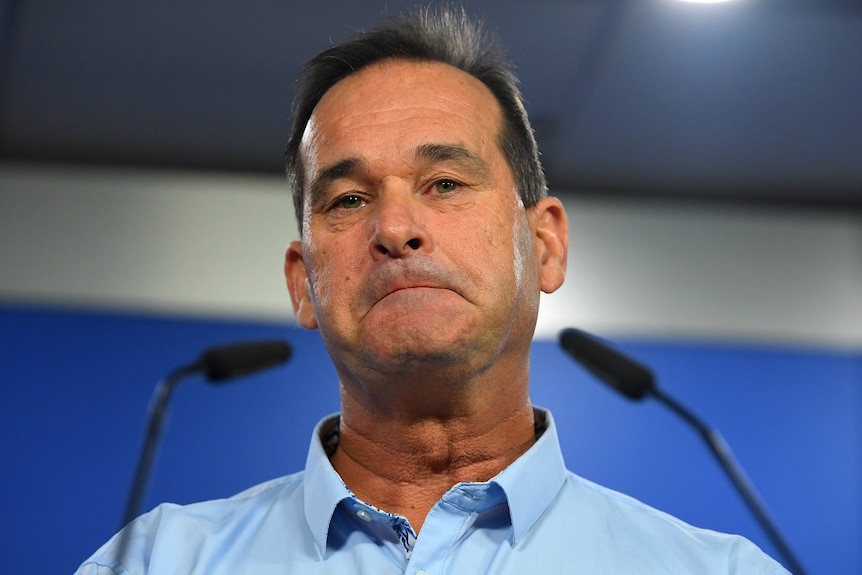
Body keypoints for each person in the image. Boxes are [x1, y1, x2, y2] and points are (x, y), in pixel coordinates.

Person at [76, 6, 791, 574]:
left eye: (444, 183)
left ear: (544, 244)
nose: (394, 227)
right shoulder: (155, 562)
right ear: (303, 283)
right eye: (349, 200)